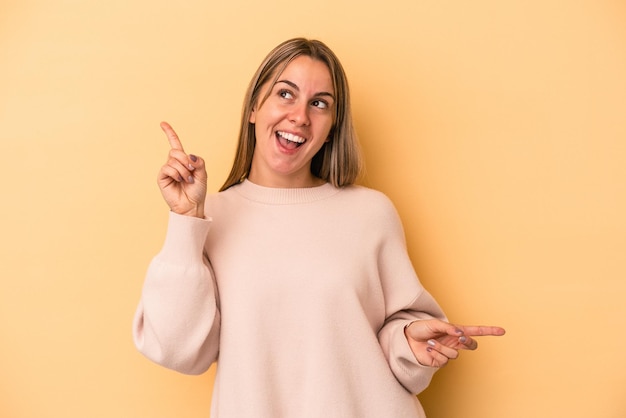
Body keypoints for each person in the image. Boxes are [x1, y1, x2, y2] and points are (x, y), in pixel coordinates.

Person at [133, 38, 505, 418]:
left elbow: (393, 329)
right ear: (253, 108)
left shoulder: (370, 212)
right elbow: (177, 350)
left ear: (331, 128)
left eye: (319, 103)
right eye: (285, 94)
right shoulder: (208, 218)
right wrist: (185, 221)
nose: (299, 116)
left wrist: (409, 341)